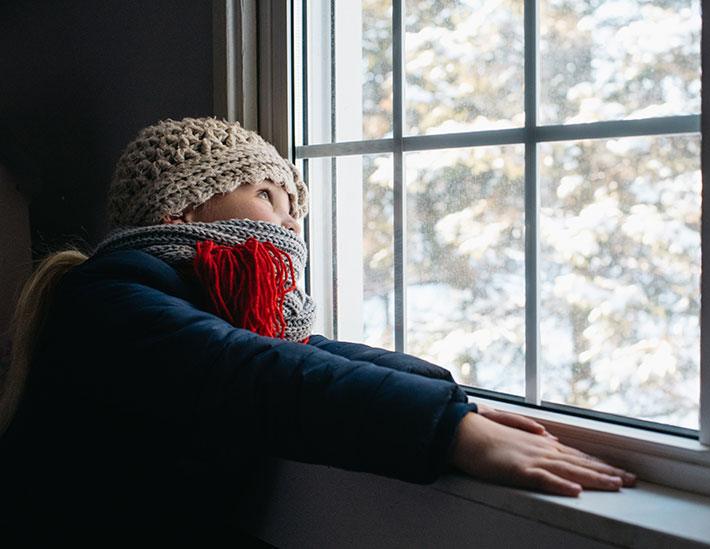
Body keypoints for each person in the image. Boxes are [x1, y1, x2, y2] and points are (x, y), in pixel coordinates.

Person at [0, 117, 635, 543]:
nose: (293, 224)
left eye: (296, 207)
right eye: (269, 196)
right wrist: (449, 431)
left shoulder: (207, 308)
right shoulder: (110, 302)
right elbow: (260, 373)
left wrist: (459, 404)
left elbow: (311, 352)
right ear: (185, 207)